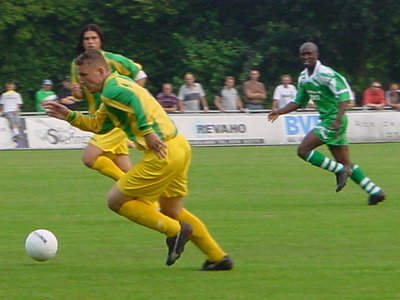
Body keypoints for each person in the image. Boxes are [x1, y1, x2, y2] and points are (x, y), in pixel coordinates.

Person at [43, 49, 233, 270]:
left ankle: (175, 230)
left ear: (101, 70)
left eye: (84, 75)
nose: (81, 82)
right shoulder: (117, 85)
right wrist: (68, 115)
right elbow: (97, 125)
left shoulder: (112, 90)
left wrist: (147, 131)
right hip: (179, 146)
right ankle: (218, 257)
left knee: (116, 201)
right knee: (172, 209)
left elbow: (135, 101)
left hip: (162, 153)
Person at [268, 42, 385, 205]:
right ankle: (374, 191)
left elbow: (345, 97)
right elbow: (299, 101)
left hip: (333, 121)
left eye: (309, 53)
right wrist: (279, 111)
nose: (306, 56)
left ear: (317, 55)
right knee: (346, 163)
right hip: (330, 120)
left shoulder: (326, 73)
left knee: (303, 150)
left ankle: (339, 171)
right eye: (303, 54)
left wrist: (337, 120)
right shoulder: (303, 77)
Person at [69, 23, 147, 181]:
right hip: (99, 120)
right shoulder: (77, 64)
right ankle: (147, 199)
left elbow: (140, 74)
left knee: (90, 158)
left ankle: (128, 187)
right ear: (82, 42)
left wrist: (131, 99)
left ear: (100, 40)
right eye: (86, 39)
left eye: (94, 38)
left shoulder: (112, 59)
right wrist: (77, 93)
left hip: (114, 119)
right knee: (124, 169)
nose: (90, 42)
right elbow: (80, 94)